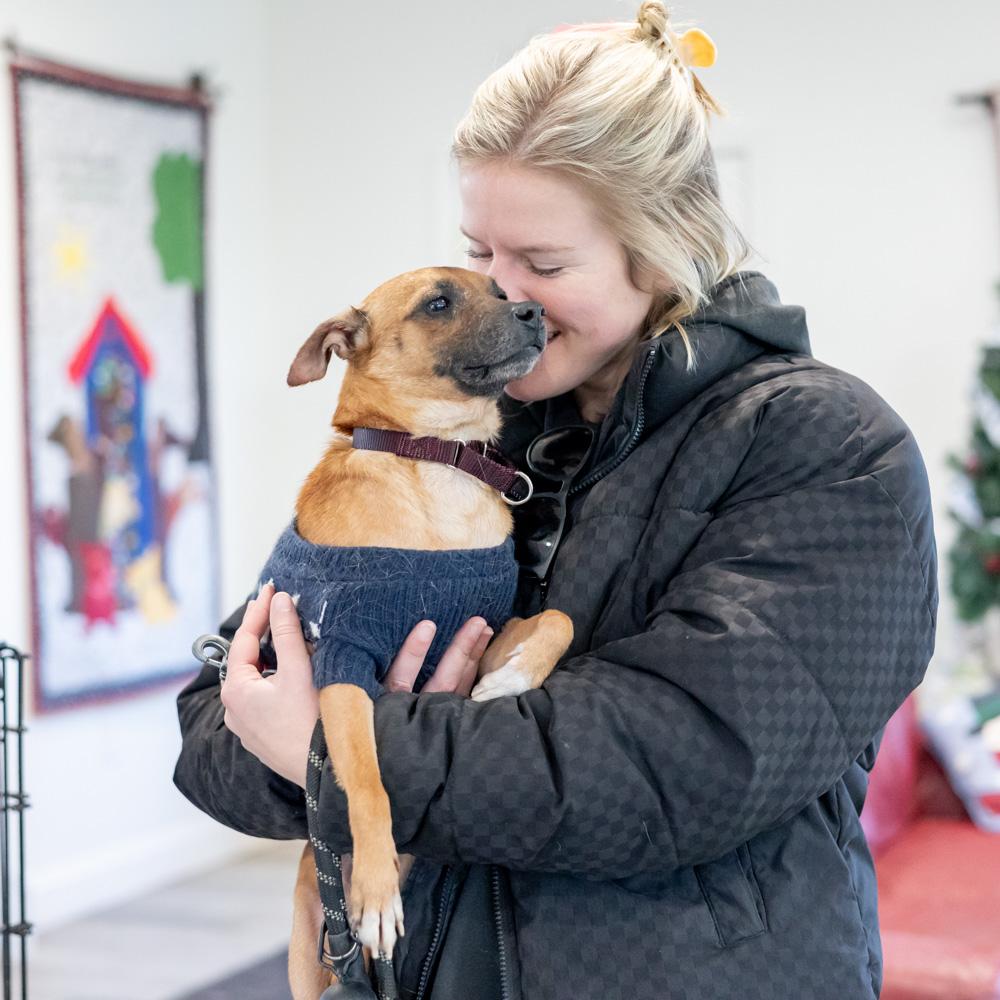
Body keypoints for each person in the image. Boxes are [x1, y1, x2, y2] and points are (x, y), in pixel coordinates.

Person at [173, 4, 937, 998]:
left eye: (543, 265)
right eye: (479, 251)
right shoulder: (458, 431)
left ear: (662, 254)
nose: (503, 295)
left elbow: (667, 768)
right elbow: (221, 711)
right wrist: (290, 742)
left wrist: (337, 748)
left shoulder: (825, 450)